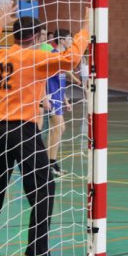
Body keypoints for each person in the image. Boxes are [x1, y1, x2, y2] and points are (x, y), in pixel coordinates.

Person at [0, 0, 90, 256]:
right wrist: (85, 29)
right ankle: (38, 252)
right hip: (22, 130)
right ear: (35, 37)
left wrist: (0, 23)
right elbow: (72, 58)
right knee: (45, 186)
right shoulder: (35, 58)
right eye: (42, 35)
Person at [44, 29, 73, 177]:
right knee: (58, 129)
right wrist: (45, 97)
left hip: (58, 98)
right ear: (61, 40)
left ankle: (49, 162)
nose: (71, 41)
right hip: (52, 98)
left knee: (58, 129)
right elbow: (43, 78)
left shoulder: (62, 57)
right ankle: (51, 163)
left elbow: (61, 83)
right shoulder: (53, 56)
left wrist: (66, 101)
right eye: (69, 38)